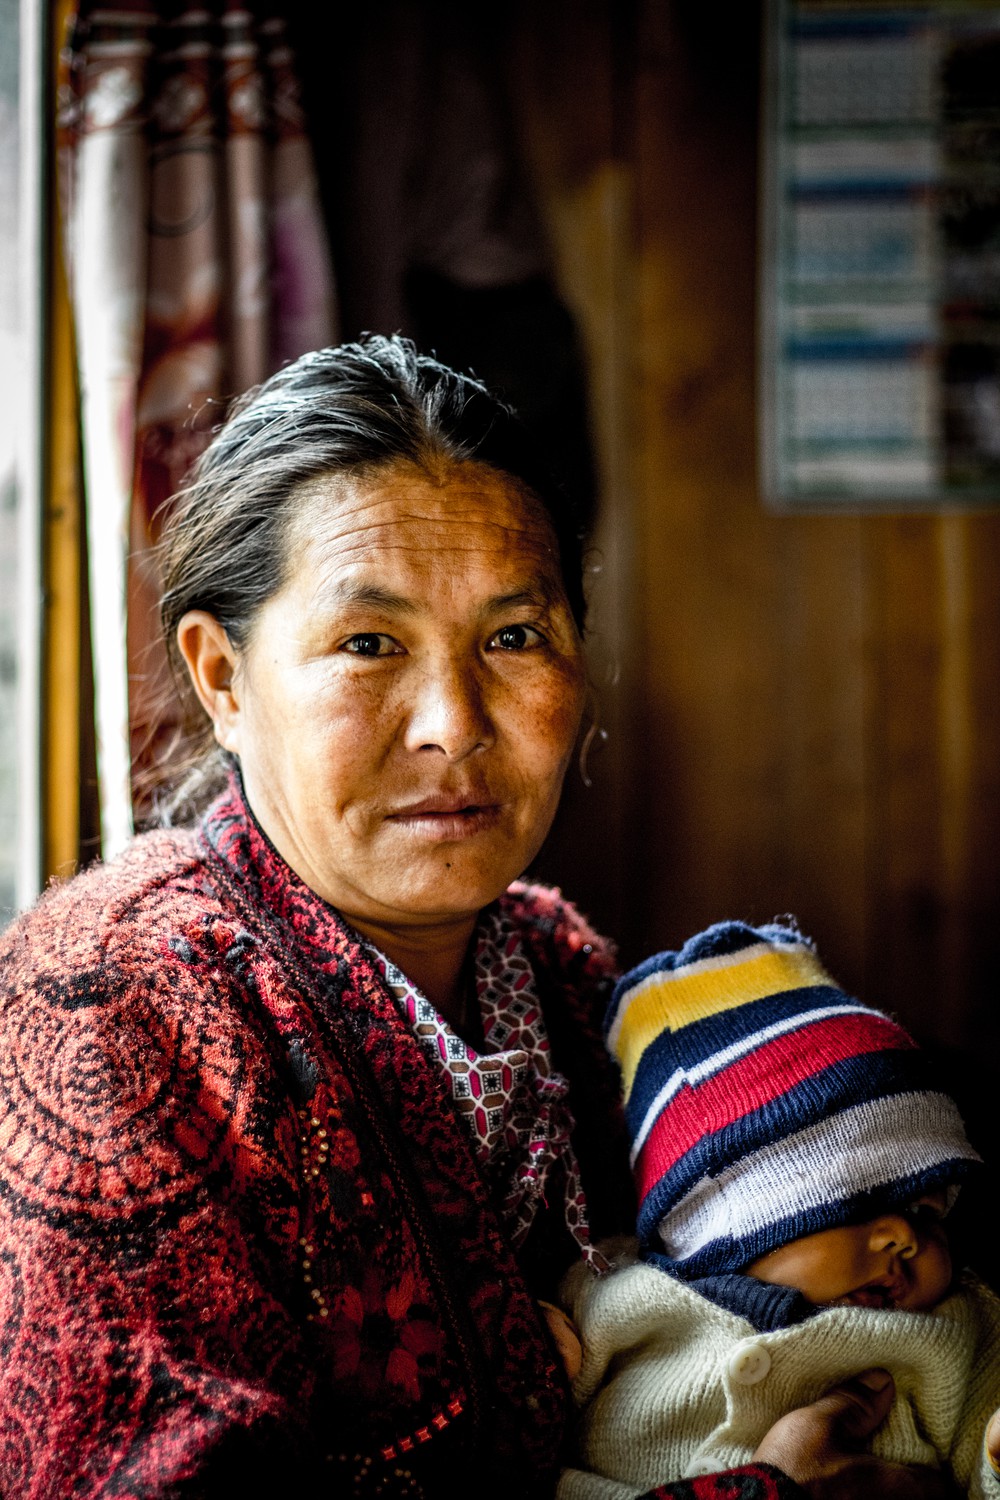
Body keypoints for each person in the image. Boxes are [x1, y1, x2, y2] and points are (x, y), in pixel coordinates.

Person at [0, 337, 963, 1499]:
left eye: (512, 638)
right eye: (368, 645)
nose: (453, 723)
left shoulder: (566, 972)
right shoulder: (107, 1006)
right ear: (222, 678)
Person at [558, 920, 1000, 1499]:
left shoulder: (957, 1333)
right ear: (712, 1227)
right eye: (854, 1202)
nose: (902, 1236)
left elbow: (979, 1461)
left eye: (925, 1208)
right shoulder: (613, 1299)